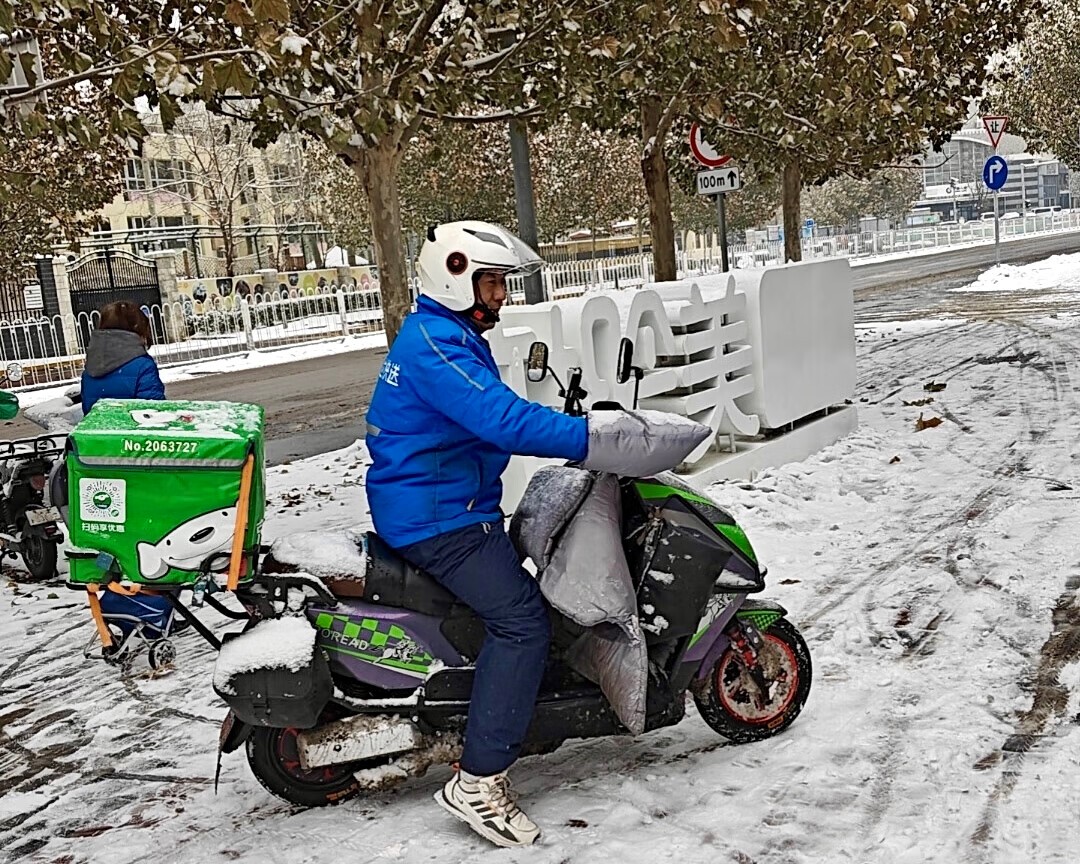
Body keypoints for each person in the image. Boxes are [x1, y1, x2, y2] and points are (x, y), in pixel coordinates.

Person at [365, 221, 589, 848]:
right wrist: (594, 438)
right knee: (521, 622)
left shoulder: (448, 336)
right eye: (492, 283)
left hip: (450, 504)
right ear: (456, 277)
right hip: (439, 518)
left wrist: (564, 422)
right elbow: (500, 419)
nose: (500, 296)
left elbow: (490, 416)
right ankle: (479, 781)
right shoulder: (436, 344)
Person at [81, 301, 165, 414]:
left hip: (99, 431)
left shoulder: (91, 367)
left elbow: (88, 410)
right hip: (133, 431)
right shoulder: (143, 366)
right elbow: (153, 412)